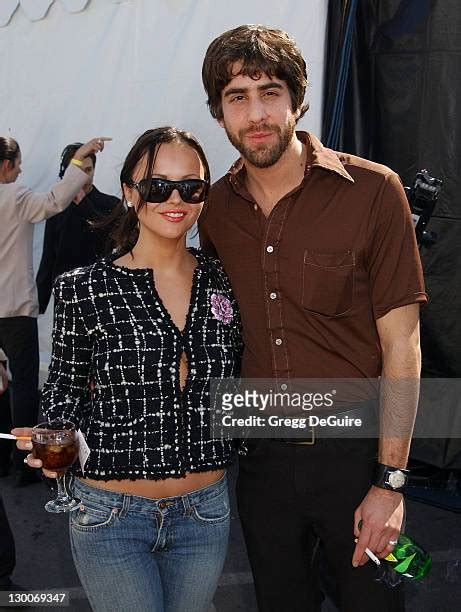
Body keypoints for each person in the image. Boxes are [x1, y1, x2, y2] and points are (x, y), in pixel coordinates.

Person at [199, 24, 427, 611]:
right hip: (259, 463)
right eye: (236, 97)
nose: (256, 113)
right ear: (219, 114)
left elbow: (402, 346)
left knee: (377, 602)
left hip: (355, 457)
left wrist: (390, 483)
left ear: (299, 100)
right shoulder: (214, 209)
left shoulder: (375, 191)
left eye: (270, 92)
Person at [15, 127, 242, 612]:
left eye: (191, 186)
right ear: (129, 192)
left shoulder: (225, 278)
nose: (174, 199)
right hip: (111, 515)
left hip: (206, 511)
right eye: (157, 186)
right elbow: (64, 383)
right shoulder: (85, 288)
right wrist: (56, 433)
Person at [0, 135, 109, 486]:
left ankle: (6, 459)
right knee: (23, 385)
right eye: (17, 164)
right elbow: (53, 202)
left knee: (3, 382)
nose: (20, 170)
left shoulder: (108, 204)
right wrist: (78, 162)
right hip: (14, 309)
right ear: (6, 165)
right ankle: (22, 462)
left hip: (23, 307)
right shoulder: (15, 196)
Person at [36, 142, 120, 314]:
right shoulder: (57, 208)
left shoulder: (111, 204)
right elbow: (49, 257)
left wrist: (84, 204)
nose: (85, 178)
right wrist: (37, 306)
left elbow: (113, 238)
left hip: (101, 295)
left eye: (88, 170)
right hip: (66, 298)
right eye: (79, 171)